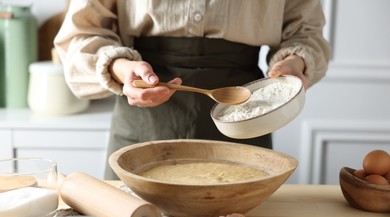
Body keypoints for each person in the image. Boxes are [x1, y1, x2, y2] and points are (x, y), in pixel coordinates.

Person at [54, 0, 330, 179]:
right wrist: (121, 68)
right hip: (144, 119)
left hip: (243, 115)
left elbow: (305, 31)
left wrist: (295, 63)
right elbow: (82, 32)